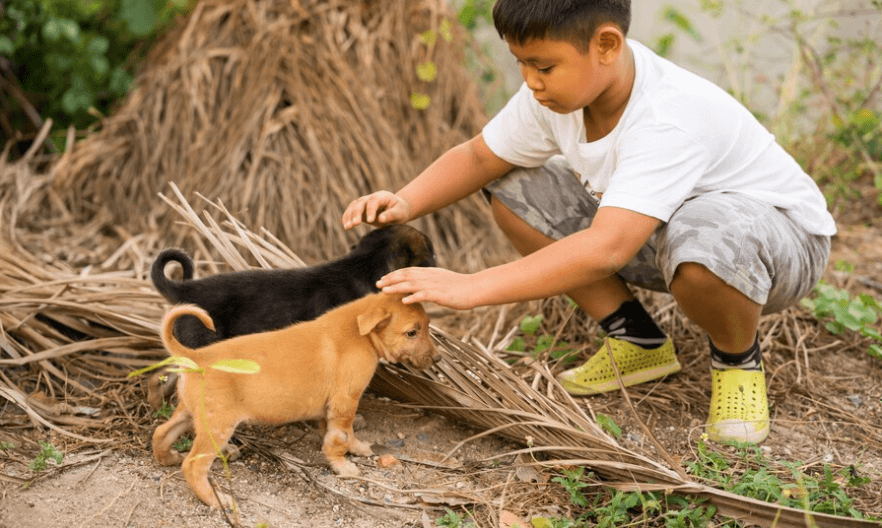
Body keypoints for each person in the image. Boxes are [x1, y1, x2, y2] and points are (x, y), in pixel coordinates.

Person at [341, 0, 835, 444]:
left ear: (605, 45)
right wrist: (404, 200)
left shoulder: (668, 116)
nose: (530, 80)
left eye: (543, 66)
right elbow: (479, 158)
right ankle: (636, 339)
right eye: (521, 63)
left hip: (778, 247)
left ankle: (737, 360)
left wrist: (471, 287)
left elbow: (608, 248)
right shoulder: (558, 95)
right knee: (516, 189)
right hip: (666, 234)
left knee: (702, 231)